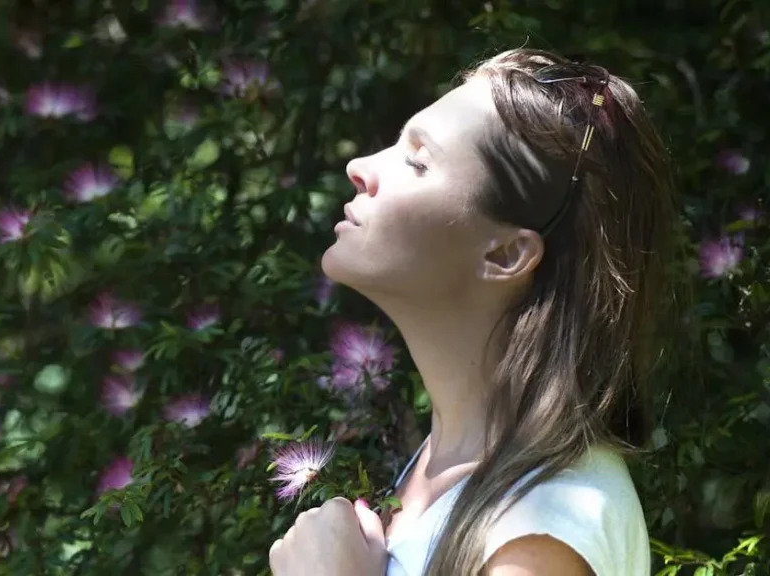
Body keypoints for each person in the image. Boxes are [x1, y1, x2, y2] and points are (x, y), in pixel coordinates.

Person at [268, 47, 678, 576]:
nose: (359, 167)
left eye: (417, 161)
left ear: (505, 254)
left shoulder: (542, 527)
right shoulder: (447, 469)